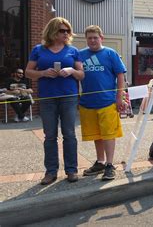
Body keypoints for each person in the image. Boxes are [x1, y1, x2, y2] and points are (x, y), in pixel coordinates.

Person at [25, 17, 84, 185]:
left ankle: (71, 170)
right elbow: (28, 72)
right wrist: (43, 73)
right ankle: (51, 172)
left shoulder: (73, 51)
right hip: (47, 98)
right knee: (50, 135)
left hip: (68, 97)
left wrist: (72, 70)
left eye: (68, 31)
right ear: (52, 31)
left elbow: (82, 74)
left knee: (69, 134)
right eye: (62, 30)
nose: (66, 34)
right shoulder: (39, 50)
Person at [78, 25, 127, 181]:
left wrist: (119, 97)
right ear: (86, 39)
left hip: (107, 102)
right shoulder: (80, 55)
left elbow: (120, 76)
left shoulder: (110, 54)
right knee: (96, 135)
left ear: (101, 38)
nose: (92, 40)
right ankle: (100, 162)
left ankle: (109, 165)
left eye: (95, 37)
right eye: (90, 38)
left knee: (108, 135)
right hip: (87, 102)